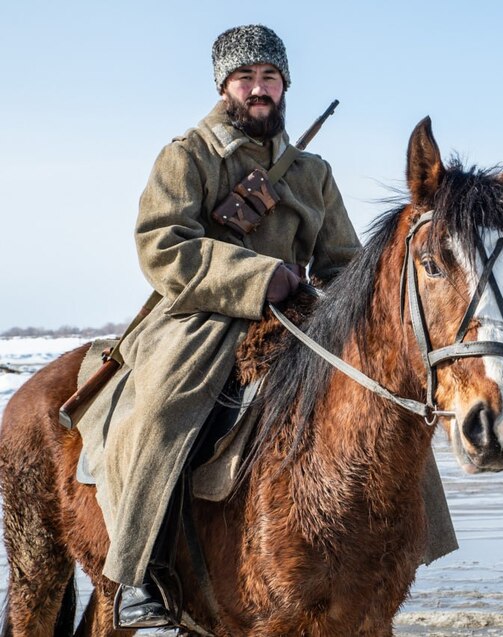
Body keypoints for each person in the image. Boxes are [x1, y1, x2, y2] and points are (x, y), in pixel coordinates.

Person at [81, 25, 456, 628]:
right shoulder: (188, 155)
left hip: (301, 318)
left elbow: (342, 263)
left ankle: (408, 543)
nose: (259, 89)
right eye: (246, 78)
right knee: (159, 413)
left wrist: (349, 304)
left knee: (391, 397)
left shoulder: (313, 171)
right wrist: (258, 277)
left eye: (270, 78)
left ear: (285, 86)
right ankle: (140, 572)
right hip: (203, 318)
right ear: (224, 85)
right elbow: (162, 247)